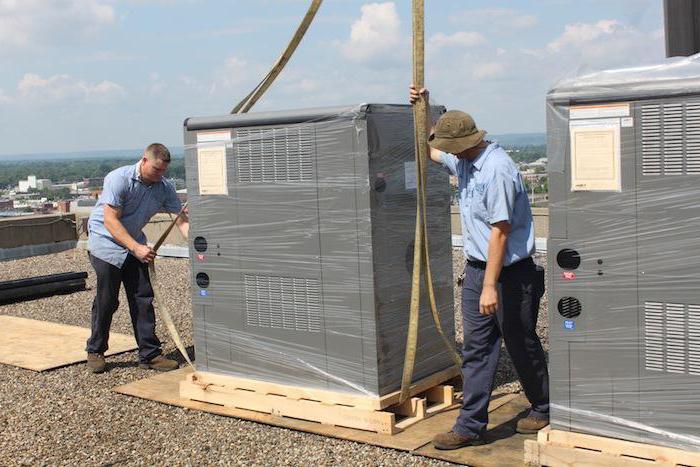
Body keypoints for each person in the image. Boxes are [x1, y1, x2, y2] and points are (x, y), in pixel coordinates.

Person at [410, 86, 549, 450]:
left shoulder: (497, 169)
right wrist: (423, 107)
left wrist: (490, 286)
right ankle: (470, 426)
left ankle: (544, 405)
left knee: (521, 343)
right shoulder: (467, 161)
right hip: (477, 271)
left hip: (509, 274)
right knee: (477, 348)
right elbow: (431, 149)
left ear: (465, 142)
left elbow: (500, 233)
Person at [85, 143, 189, 374]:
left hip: (134, 243)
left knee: (143, 297)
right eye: (155, 169)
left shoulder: (164, 187)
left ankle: (149, 355)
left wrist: (196, 246)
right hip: (106, 244)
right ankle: (95, 350)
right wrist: (136, 248)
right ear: (144, 160)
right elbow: (111, 220)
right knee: (107, 300)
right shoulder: (118, 179)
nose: (159, 175)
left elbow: (180, 220)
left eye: (163, 171)